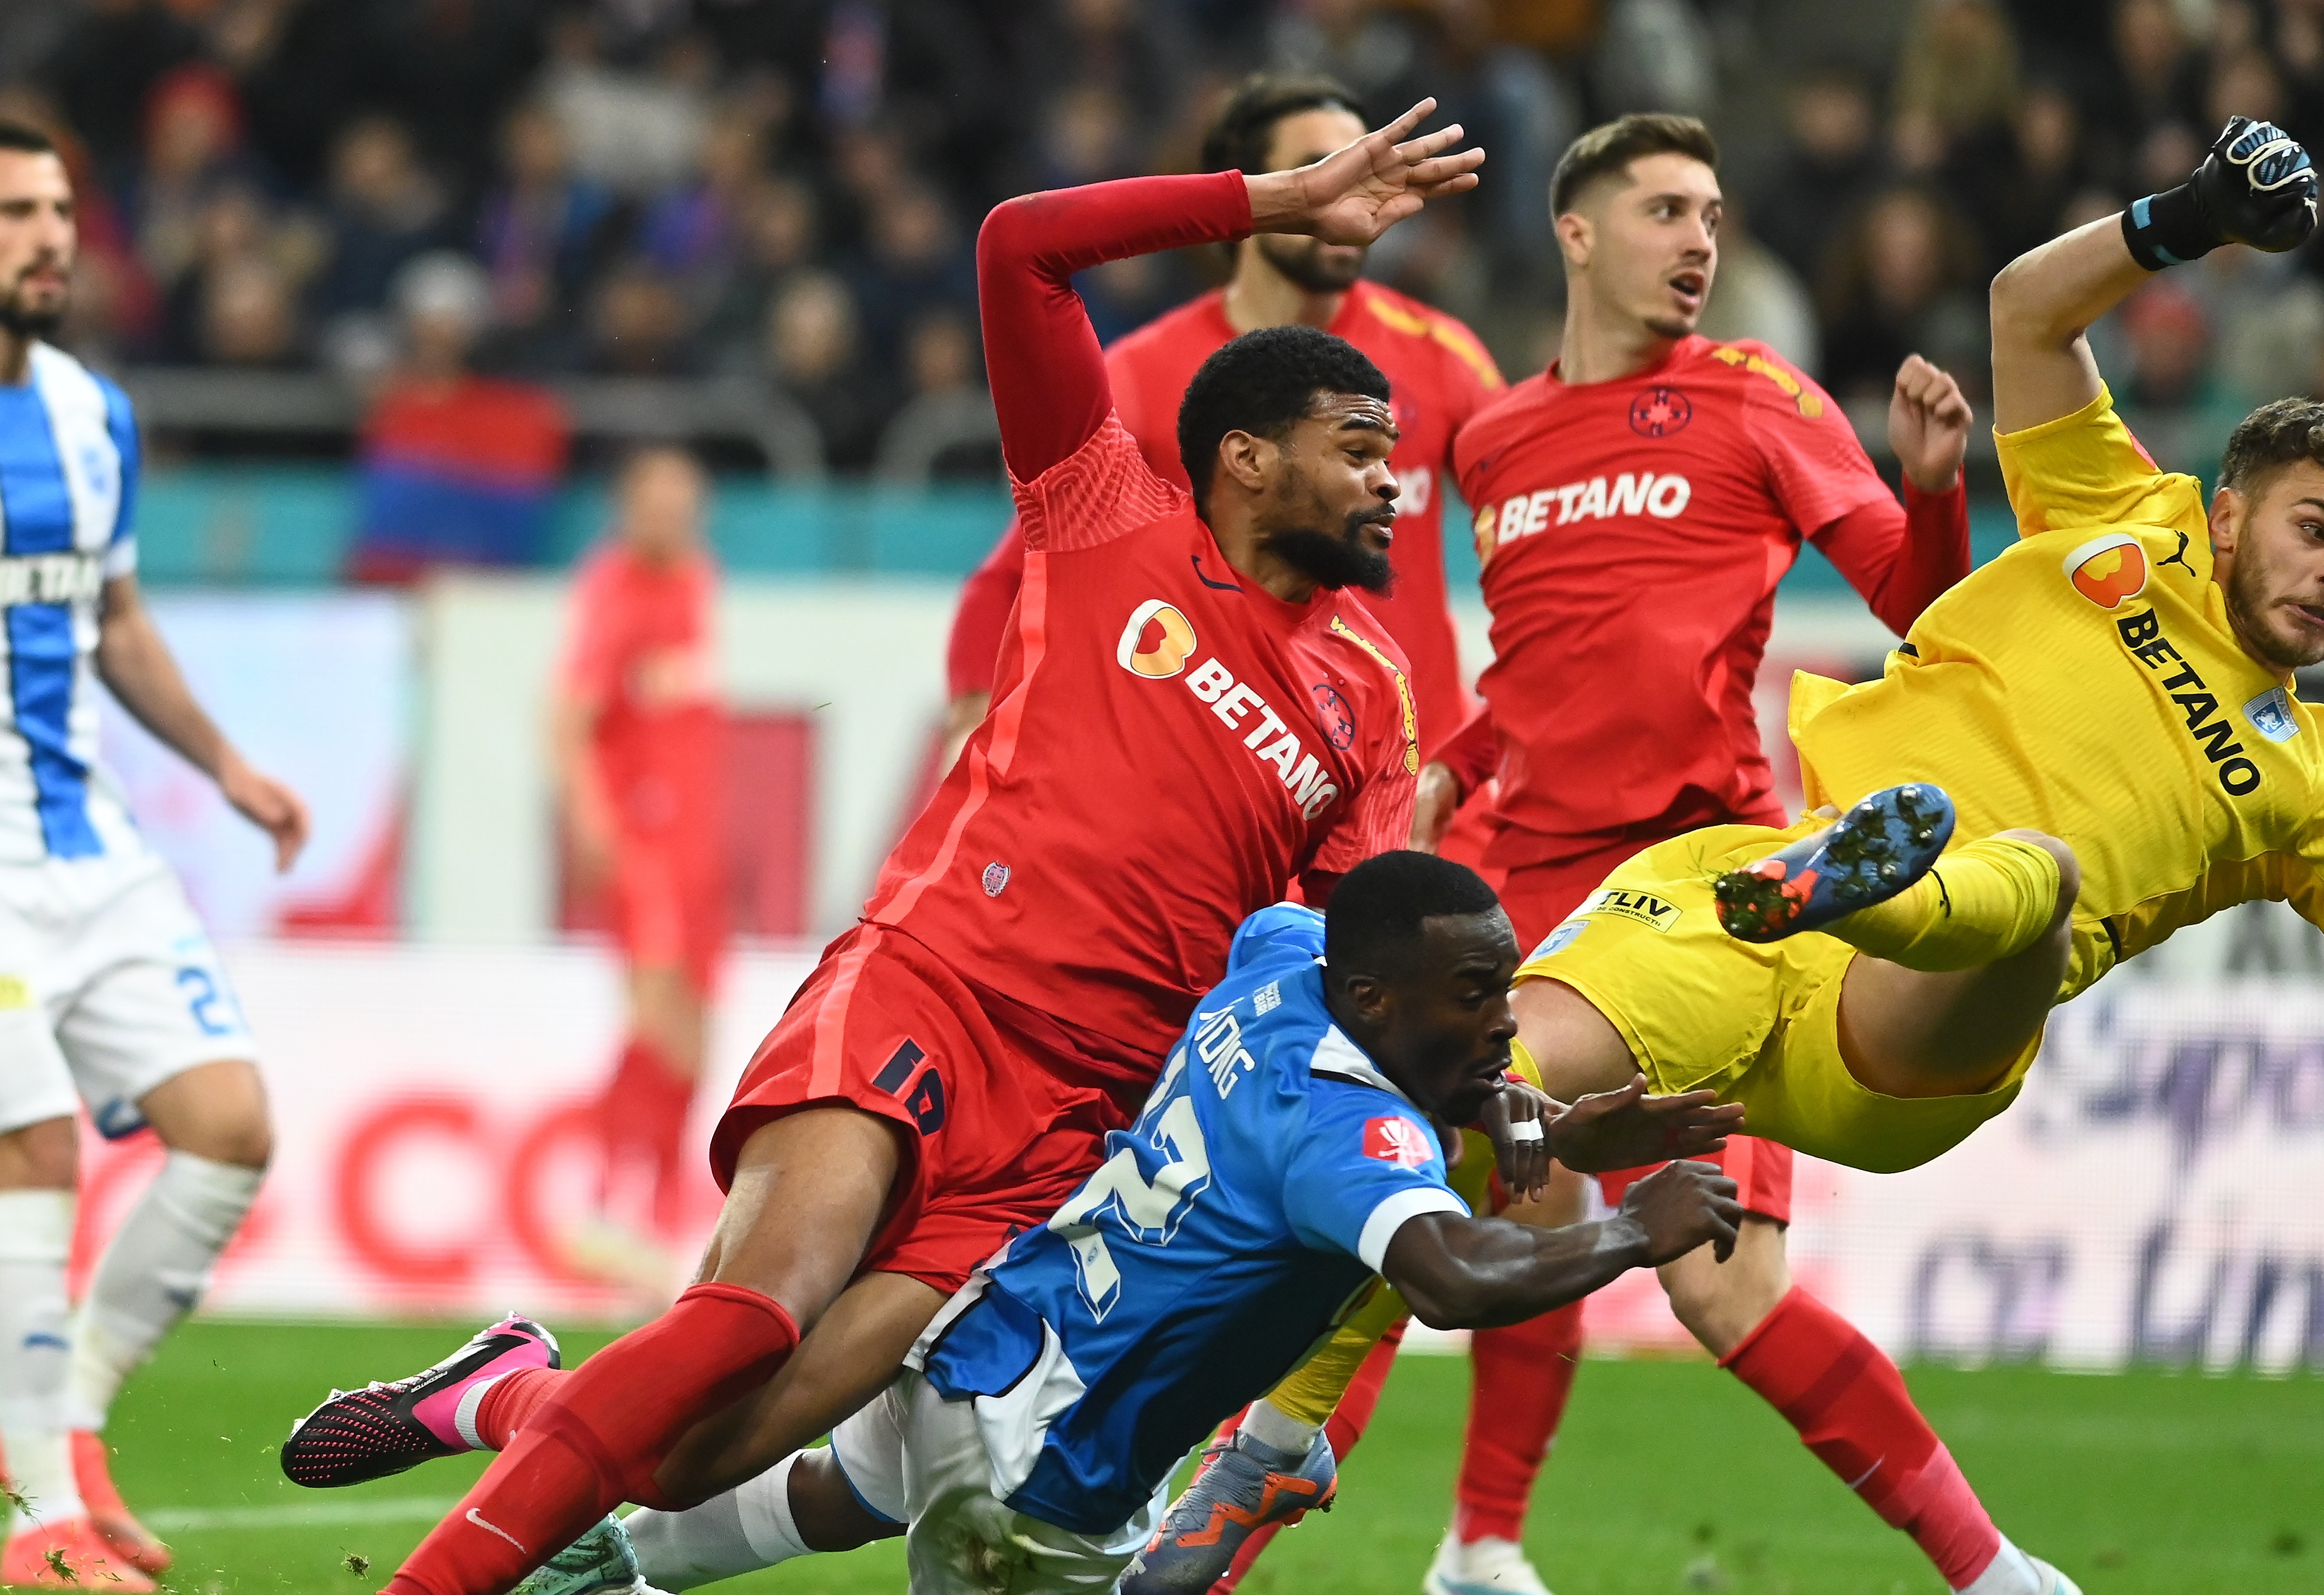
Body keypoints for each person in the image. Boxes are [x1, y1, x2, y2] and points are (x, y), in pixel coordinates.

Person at [280, 101, 1484, 1595]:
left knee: (690, 1454)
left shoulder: (1369, 689)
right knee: (743, 1319)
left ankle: (495, 1390)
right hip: (931, 986)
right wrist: (1263, 197)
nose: (1390, 480)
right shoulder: (1101, 510)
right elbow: (1018, 249)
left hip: (1074, 1117)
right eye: (1357, 449)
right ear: (1242, 458)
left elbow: (1327, 954)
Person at [1496, 113, 2324, 1595]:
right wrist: (2191, 214)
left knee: (2029, 883)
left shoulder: (2312, 789)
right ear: (2222, 512)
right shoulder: (2117, 513)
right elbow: (2023, 309)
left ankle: (1886, 877)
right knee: (1462, 1089)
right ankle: (1195, 1460)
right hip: (1747, 905)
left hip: (1906, 1040)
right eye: (2312, 532)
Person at [1169, 111, 1992, 1595]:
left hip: (1702, 886)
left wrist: (1932, 488)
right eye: (1666, 210)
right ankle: (1451, 1547)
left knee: (1724, 1290)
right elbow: (1537, 672)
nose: (1697, 243)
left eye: (1710, 216)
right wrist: (1455, 762)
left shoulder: (1754, 395)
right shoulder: (1490, 442)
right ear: (1575, 231)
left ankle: (1988, 1569)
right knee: (1417, 1198)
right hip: (1518, 886)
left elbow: (1911, 602)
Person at [503, 853, 1749, 1595]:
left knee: (855, 1490)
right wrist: (1628, 1228)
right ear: (1372, 997)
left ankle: (619, 1559)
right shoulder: (1348, 1139)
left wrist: (1533, 1119)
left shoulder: (1279, 959)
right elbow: (1449, 1274)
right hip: (1040, 1473)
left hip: (976, 1335)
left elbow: (1392, 1021)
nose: (1500, 1021)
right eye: (1477, 996)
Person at [0, 119, 309, 1589]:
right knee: (35, 1147)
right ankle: (37, 1518)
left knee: (229, 1126)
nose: (47, 236)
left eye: (58, 208)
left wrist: (227, 765)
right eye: (13, 213)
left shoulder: (90, 415)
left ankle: (60, 1428)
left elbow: (112, 618)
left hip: (89, 841)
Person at [937, 73, 1503, 782]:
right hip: (1227, 796)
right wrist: (970, 711)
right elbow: (1007, 579)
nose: (1350, 187)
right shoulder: (1142, 375)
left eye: (1362, 162)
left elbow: (1545, 552)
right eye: (1317, 167)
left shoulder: (1443, 355)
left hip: (1416, 792)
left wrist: (1475, 752)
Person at [551, 445, 727, 1298]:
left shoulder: (696, 578)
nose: (668, 517)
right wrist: (594, 823)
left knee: (696, 1032)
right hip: (644, 839)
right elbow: (565, 715)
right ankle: (602, 1202)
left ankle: (654, 1223)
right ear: (627, 506)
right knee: (655, 1010)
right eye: (652, 501)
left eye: (680, 501)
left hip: (695, 842)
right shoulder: (614, 587)